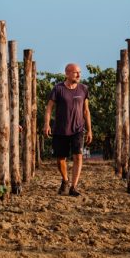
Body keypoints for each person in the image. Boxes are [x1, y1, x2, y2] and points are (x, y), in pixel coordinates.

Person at [43, 63, 92, 197]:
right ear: (67, 73)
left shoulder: (83, 89)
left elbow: (86, 111)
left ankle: (73, 187)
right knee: (60, 159)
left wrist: (89, 130)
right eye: (76, 72)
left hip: (78, 129)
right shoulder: (58, 89)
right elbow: (49, 108)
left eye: (79, 72)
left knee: (78, 156)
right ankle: (65, 180)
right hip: (60, 129)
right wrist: (47, 124)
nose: (79, 75)